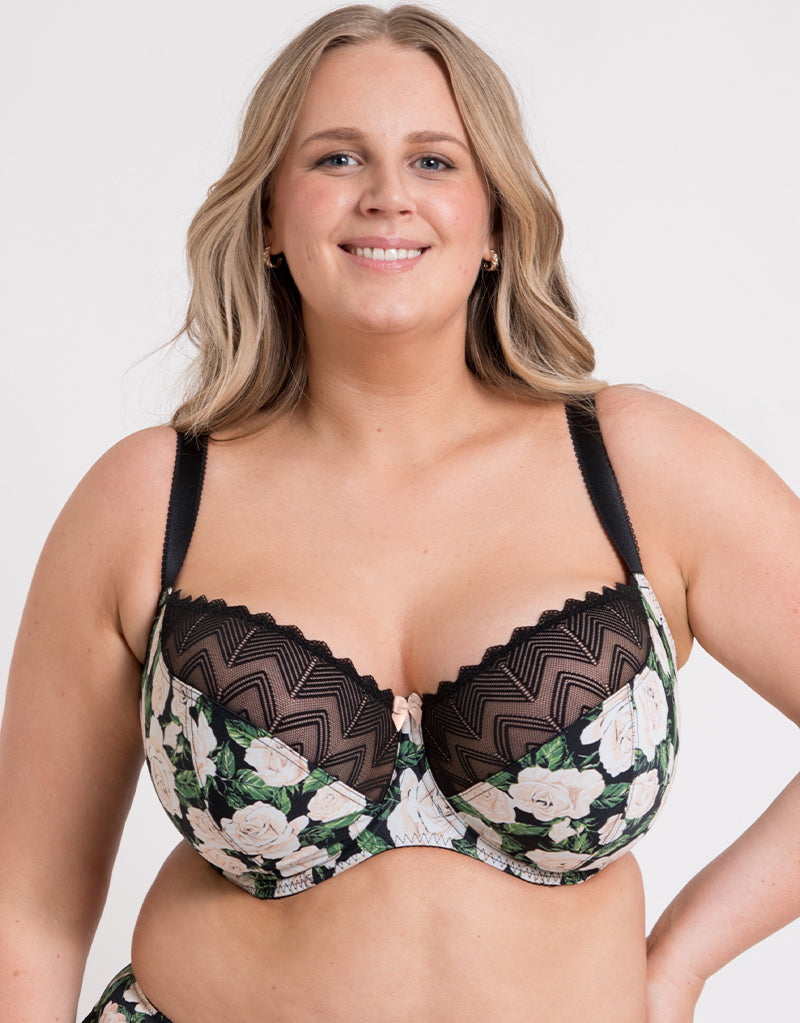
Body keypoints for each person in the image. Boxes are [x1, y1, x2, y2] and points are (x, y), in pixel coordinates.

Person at [1, 4, 798, 1021]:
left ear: (496, 221)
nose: (386, 195)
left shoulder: (637, 467)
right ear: (267, 218)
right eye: (337, 158)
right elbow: (29, 909)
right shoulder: (149, 498)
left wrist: (683, 957)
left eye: (433, 161)